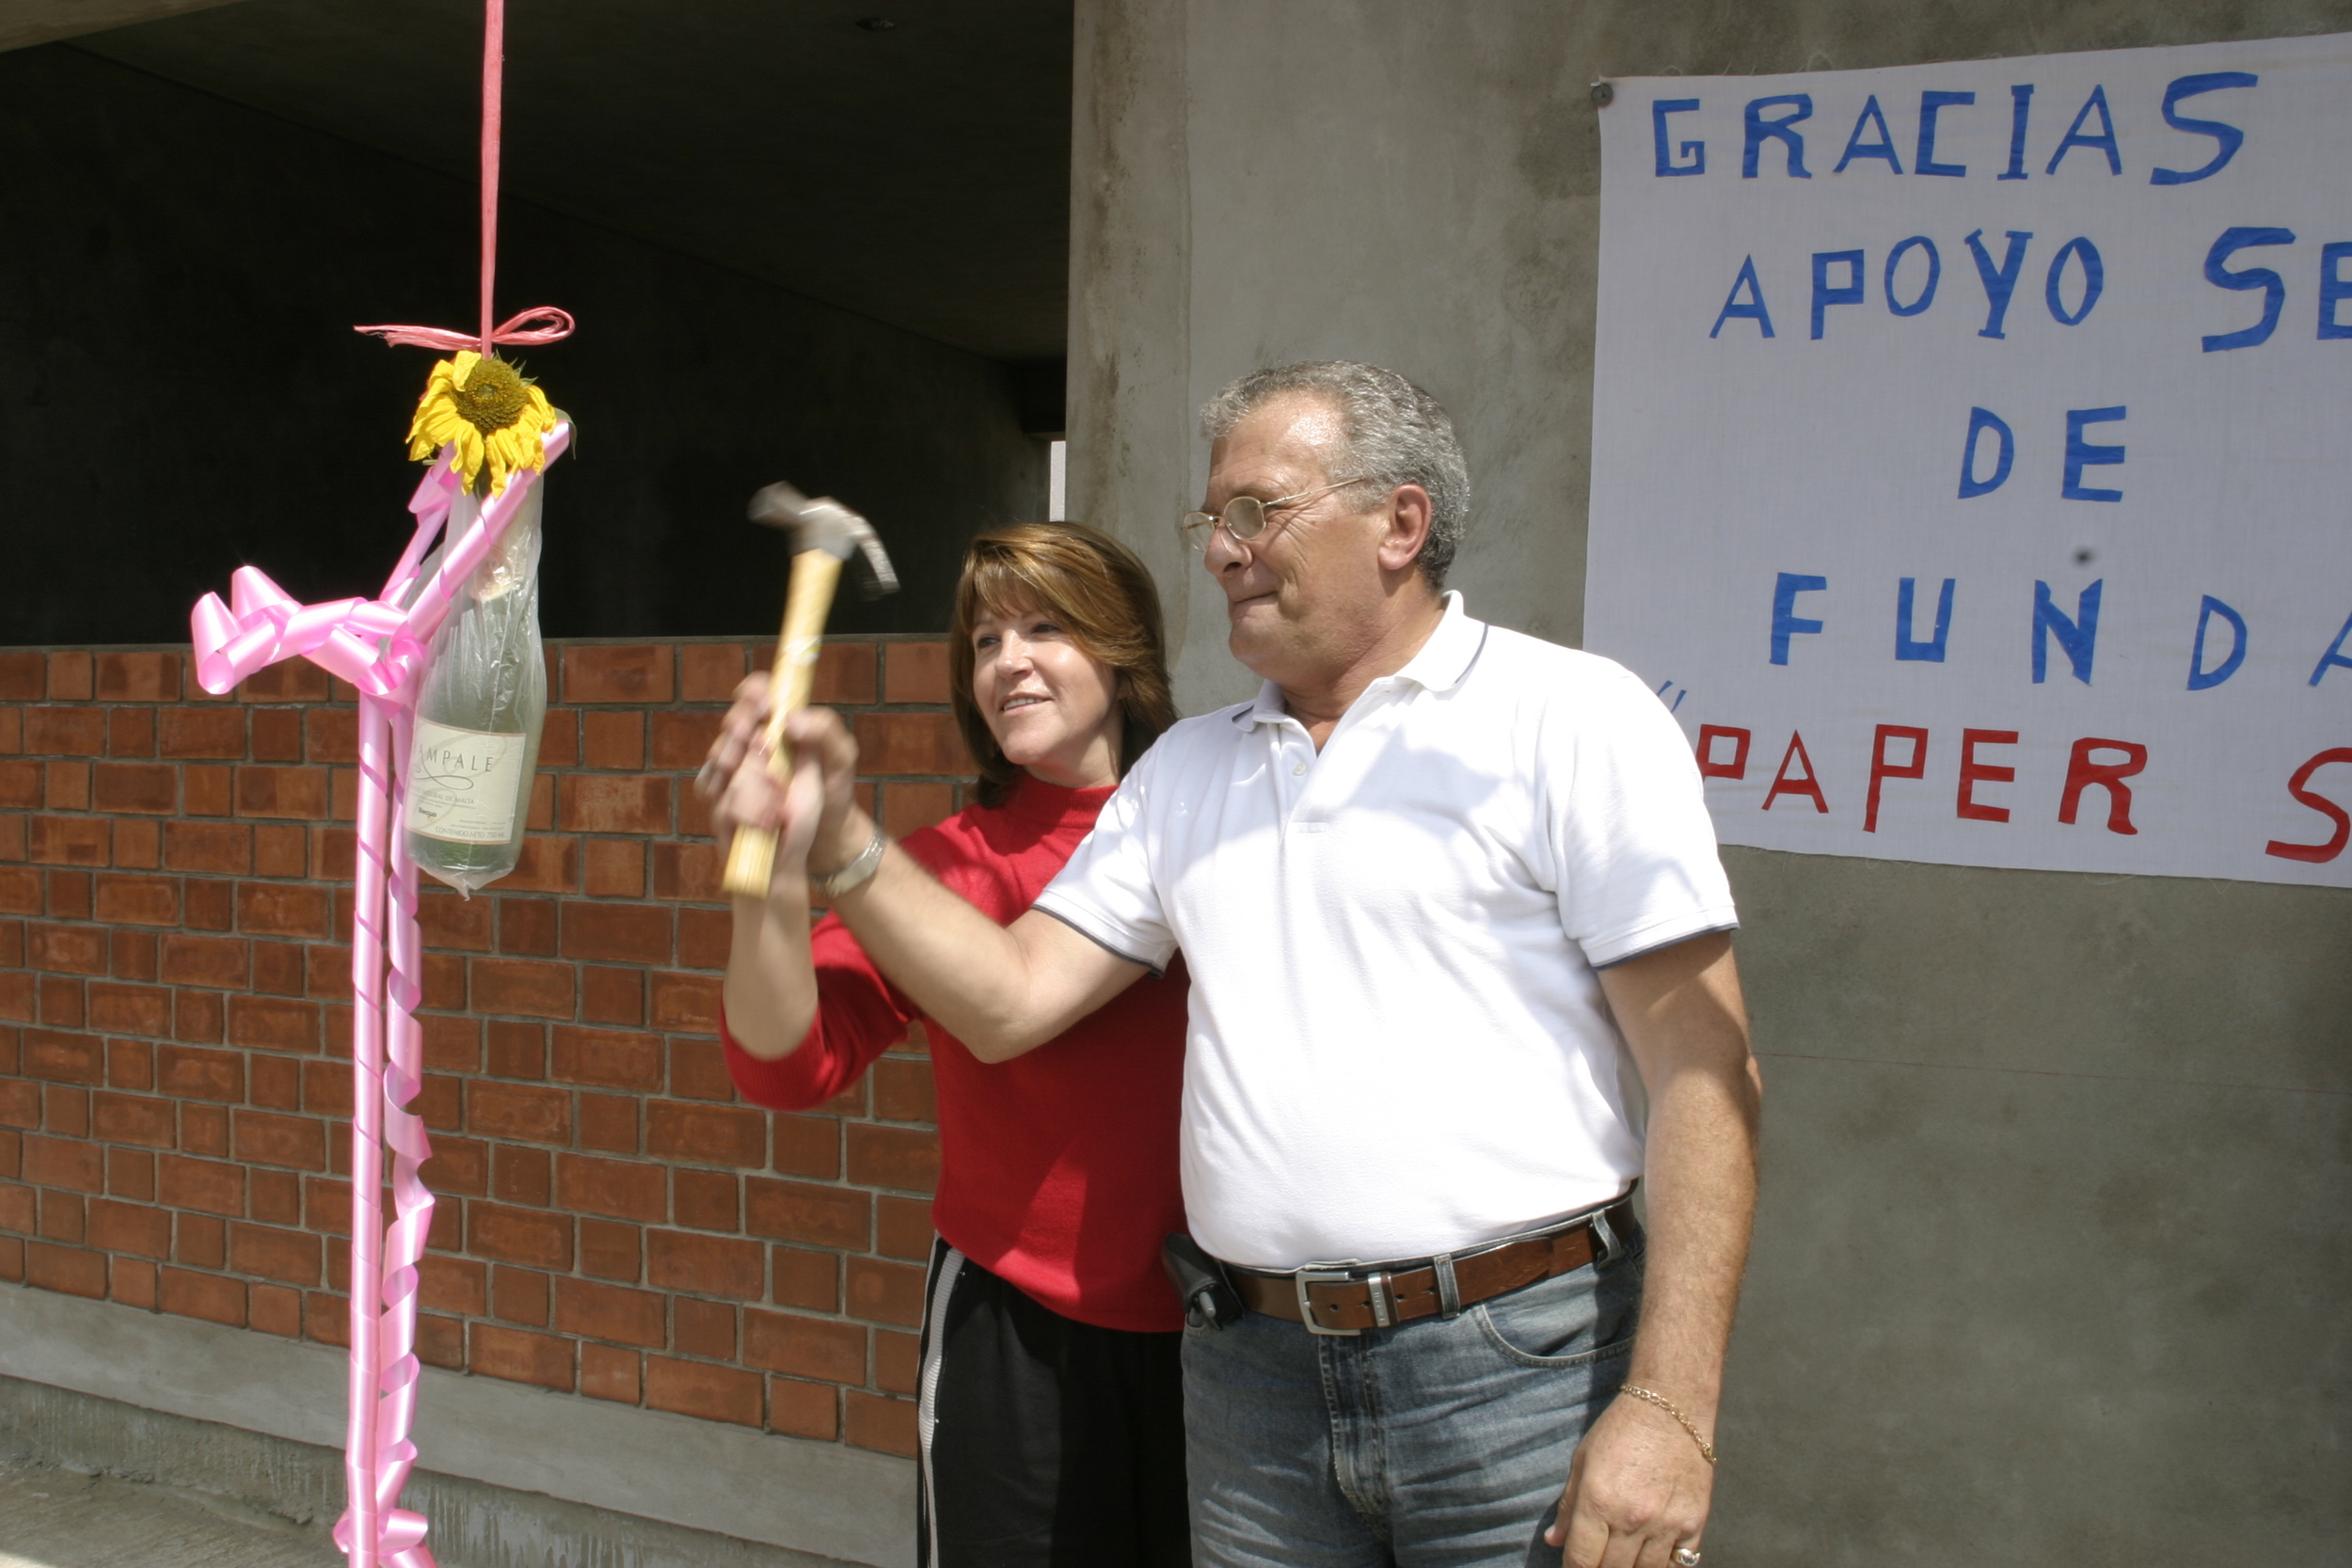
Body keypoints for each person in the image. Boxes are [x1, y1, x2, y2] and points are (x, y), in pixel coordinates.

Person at [725, 362, 1762, 1568]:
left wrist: (1672, 1405)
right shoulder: (1187, 776)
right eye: (1210, 520)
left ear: (1401, 524)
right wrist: (843, 838)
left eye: (1256, 512)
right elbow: (1009, 1001)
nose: (1219, 551)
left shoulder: (1569, 717)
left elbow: (1704, 1067)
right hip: (1250, 1382)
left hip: (1514, 1371)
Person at [704, 521, 1192, 1568]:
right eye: (983, 639)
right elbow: (783, 1064)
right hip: (1011, 1330)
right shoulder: (933, 869)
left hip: (1228, 1330)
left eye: (1044, 627)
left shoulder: (1213, 822)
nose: (1006, 660)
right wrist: (778, 873)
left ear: (1124, 650)